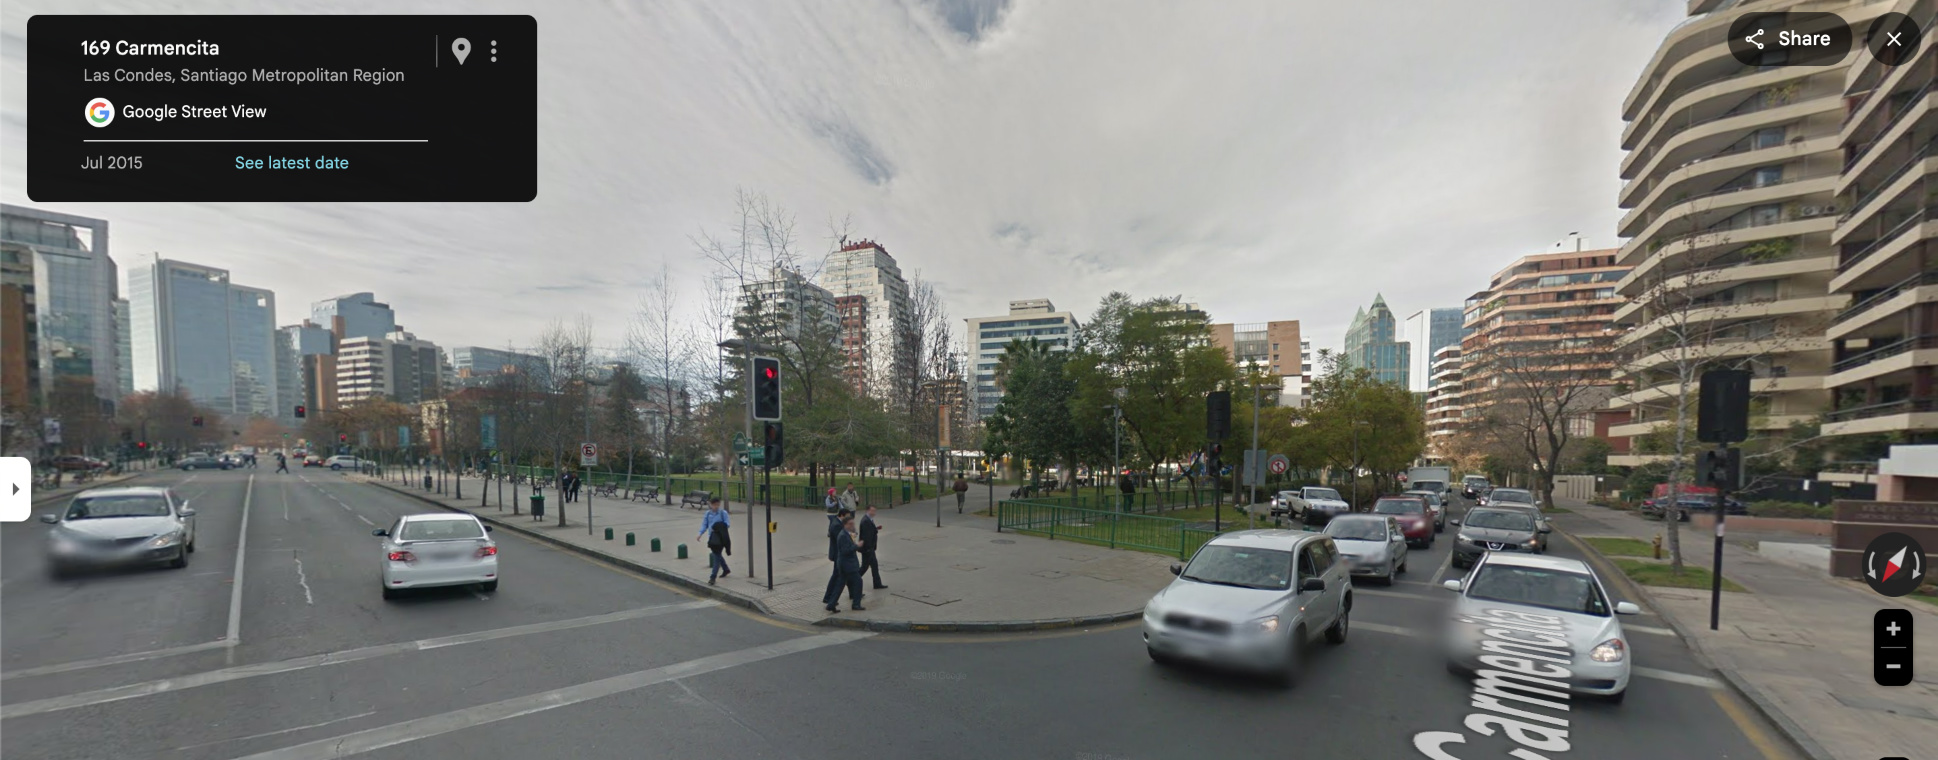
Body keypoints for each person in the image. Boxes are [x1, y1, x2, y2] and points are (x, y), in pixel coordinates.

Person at [822, 506, 852, 612]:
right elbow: (840, 539)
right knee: (837, 576)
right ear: (842, 516)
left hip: (839, 554)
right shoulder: (836, 525)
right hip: (837, 554)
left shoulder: (838, 523)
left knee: (838, 575)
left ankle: (829, 597)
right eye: (847, 517)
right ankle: (828, 597)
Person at [834, 512, 865, 611]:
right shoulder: (843, 535)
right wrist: (857, 546)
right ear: (845, 525)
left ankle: (831, 604)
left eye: (853, 524)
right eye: (850, 524)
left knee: (840, 585)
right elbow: (845, 551)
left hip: (846, 564)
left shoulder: (847, 534)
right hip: (847, 565)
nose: (853, 526)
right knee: (858, 582)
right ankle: (856, 604)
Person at [699, 497, 732, 585]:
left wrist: (717, 526)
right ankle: (726, 569)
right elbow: (704, 524)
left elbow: (727, 524)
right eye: (714, 505)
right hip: (712, 538)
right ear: (710, 504)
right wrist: (700, 534)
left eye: (717, 504)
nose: (716, 506)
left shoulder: (723, 513)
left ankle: (712, 577)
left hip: (721, 538)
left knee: (716, 557)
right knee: (717, 555)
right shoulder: (708, 513)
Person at [858, 504, 886, 589]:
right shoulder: (865, 521)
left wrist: (875, 529)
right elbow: (866, 536)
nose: (874, 513)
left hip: (870, 548)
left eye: (875, 511)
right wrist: (869, 548)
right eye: (872, 511)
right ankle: (852, 580)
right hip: (868, 549)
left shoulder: (869, 519)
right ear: (867, 511)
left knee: (874, 566)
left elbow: (869, 531)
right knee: (864, 567)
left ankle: (877, 583)